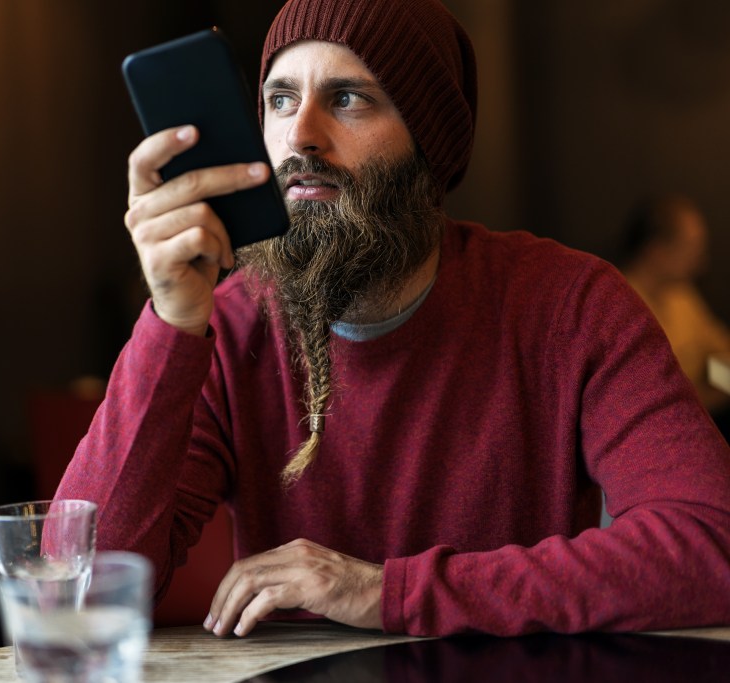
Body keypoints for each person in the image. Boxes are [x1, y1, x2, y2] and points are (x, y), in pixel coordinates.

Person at [57, 0, 730, 638]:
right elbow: (71, 598)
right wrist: (171, 324)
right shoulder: (230, 328)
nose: (300, 136)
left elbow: (710, 543)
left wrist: (388, 592)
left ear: (428, 142)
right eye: (280, 99)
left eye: (348, 98)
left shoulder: (571, 305)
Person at [619, 194, 730, 421]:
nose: (702, 261)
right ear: (657, 251)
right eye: (691, 248)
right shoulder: (620, 306)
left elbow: (717, 351)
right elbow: (645, 400)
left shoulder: (681, 294)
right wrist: (711, 394)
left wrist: (724, 382)